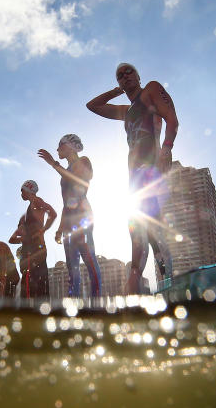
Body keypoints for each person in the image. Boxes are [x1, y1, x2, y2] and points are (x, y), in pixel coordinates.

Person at [86, 62, 178, 293]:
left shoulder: (151, 90)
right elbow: (92, 105)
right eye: (120, 75)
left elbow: (172, 119)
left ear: (138, 75)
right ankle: (140, 284)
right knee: (138, 231)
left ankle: (164, 284)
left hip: (151, 170)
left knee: (151, 228)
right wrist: (118, 90)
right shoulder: (126, 111)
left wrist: (167, 148)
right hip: (133, 177)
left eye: (129, 72)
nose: (125, 76)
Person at [39, 134, 102, 298]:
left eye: (60, 145)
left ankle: (97, 304)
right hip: (69, 220)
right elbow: (67, 203)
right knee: (72, 265)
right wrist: (60, 228)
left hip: (82, 215)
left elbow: (77, 180)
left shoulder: (84, 161)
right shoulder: (65, 170)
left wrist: (54, 164)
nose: (57, 149)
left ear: (71, 146)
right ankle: (73, 305)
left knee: (89, 259)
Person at [9, 180, 56, 298]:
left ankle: (34, 309)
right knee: (37, 280)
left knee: (34, 280)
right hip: (33, 247)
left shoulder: (36, 200)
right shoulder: (30, 207)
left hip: (35, 247)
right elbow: (12, 239)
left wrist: (43, 230)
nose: (21, 194)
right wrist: (24, 239)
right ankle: (39, 308)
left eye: (22, 191)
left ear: (29, 190)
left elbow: (53, 213)